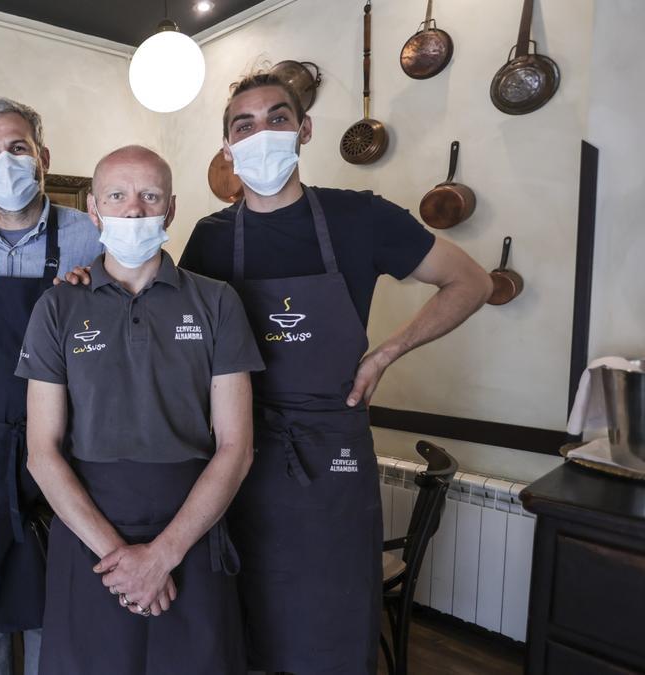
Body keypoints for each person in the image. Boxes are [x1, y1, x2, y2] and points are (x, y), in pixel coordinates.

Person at [180, 73, 494, 673]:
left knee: (331, 623)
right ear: (227, 147)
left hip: (333, 457)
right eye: (243, 126)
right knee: (244, 621)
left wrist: (385, 353)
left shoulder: (360, 218)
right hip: (237, 455)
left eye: (278, 118)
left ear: (304, 129)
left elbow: (472, 281)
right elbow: (180, 335)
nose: (261, 134)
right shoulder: (211, 238)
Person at [17, 145, 261, 674]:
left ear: (171, 209)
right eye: (118, 197)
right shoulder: (58, 307)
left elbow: (236, 448)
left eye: (149, 196)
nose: (133, 211)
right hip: (89, 534)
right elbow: (42, 453)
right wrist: (123, 564)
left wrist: (161, 556)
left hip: (191, 528)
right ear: (94, 210)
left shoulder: (217, 302)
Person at [0, 97, 103, 675]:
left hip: (62, 448)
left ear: (43, 157)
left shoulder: (89, 236)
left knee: (49, 601)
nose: (5, 162)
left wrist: (90, 295)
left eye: (18, 148)